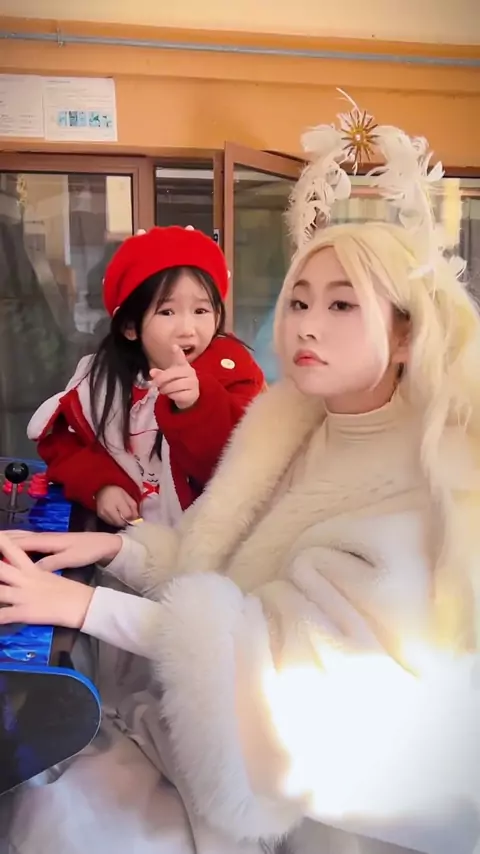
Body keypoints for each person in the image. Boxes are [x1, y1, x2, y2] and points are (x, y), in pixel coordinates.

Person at [1, 96, 480, 854]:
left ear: (405, 336)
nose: (307, 326)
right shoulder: (294, 421)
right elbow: (215, 556)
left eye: (343, 305)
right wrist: (114, 550)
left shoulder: (428, 490)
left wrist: (83, 607)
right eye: (299, 301)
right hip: (206, 721)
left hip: (322, 812)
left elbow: (274, 674)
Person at [27, 225, 265, 528]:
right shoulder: (99, 381)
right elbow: (64, 445)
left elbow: (241, 465)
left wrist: (197, 405)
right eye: (167, 312)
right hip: (124, 543)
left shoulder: (235, 373)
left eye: (201, 311)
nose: (187, 329)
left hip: (205, 543)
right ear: (130, 327)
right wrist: (100, 485)